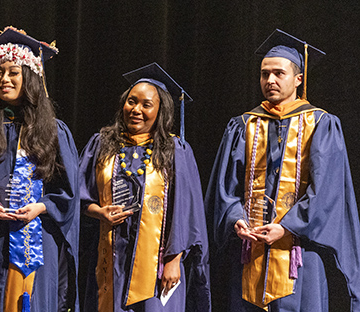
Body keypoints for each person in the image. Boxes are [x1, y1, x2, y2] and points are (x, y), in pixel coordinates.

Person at [205, 29, 360, 311]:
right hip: (250, 252)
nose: (270, 81)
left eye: (279, 73)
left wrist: (287, 226)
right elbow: (225, 188)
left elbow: (327, 191)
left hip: (300, 253)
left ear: (299, 79)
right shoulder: (243, 125)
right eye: (265, 74)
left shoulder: (321, 124)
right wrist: (235, 219)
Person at [0, 26, 79, 312]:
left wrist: (40, 207)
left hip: (35, 238)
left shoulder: (53, 131)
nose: (4, 79)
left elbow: (67, 192)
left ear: (30, 77)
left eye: (13, 72)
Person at [78, 63, 210, 311]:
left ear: (160, 111)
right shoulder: (102, 144)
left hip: (158, 264)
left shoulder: (175, 150)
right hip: (110, 257)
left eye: (146, 105)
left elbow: (186, 212)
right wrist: (100, 212)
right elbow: (80, 197)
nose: (136, 110)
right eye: (131, 101)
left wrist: (174, 260)